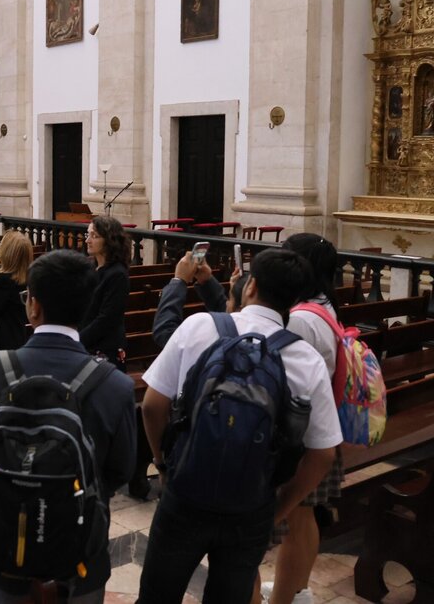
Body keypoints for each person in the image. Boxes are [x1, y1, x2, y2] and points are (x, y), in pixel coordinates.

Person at [136, 249, 342, 604]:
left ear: (251, 286)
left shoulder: (199, 325)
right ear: (294, 301)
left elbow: (153, 406)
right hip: (251, 506)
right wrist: (278, 510)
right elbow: (323, 454)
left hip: (186, 493)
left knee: (158, 595)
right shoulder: (305, 359)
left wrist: (163, 465)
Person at [0, 249, 137, 602]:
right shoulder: (116, 386)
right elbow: (122, 469)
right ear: (86, 307)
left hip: (0, 556)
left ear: (33, 305)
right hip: (79, 560)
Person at [259, 234, 343, 604]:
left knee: (293, 519)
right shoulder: (323, 305)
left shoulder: (300, 319)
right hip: (318, 425)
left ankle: (284, 598)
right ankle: (295, 591)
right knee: (303, 517)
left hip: (299, 435)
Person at [79, 215, 131, 369]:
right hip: (85, 344)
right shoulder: (90, 268)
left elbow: (107, 319)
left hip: (105, 349)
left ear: (109, 240)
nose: (87, 240)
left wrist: (77, 340)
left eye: (94, 236)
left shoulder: (117, 274)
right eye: (88, 234)